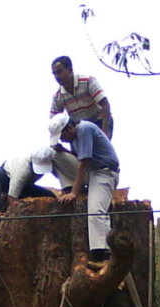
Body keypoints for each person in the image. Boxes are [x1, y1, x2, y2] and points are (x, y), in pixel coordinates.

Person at [49, 113, 120, 263]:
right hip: (91, 173)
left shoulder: (84, 130)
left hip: (104, 172)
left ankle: (102, 253)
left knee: (95, 210)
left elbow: (83, 162)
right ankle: (70, 187)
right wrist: (65, 151)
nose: (62, 139)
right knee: (55, 155)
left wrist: (75, 193)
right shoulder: (75, 139)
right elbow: (79, 157)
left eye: (62, 135)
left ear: (69, 128)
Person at [0, 145, 75, 212]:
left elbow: (60, 177)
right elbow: (12, 197)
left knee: (49, 196)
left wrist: (67, 190)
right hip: (6, 178)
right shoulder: (23, 169)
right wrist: (15, 209)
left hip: (26, 186)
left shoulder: (49, 160)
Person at [49, 55, 113, 139]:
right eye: (54, 74)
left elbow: (105, 104)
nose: (57, 77)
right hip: (80, 129)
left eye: (59, 72)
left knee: (98, 150)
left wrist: (105, 132)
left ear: (70, 70)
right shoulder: (58, 96)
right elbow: (54, 121)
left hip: (99, 121)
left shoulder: (87, 81)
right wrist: (55, 140)